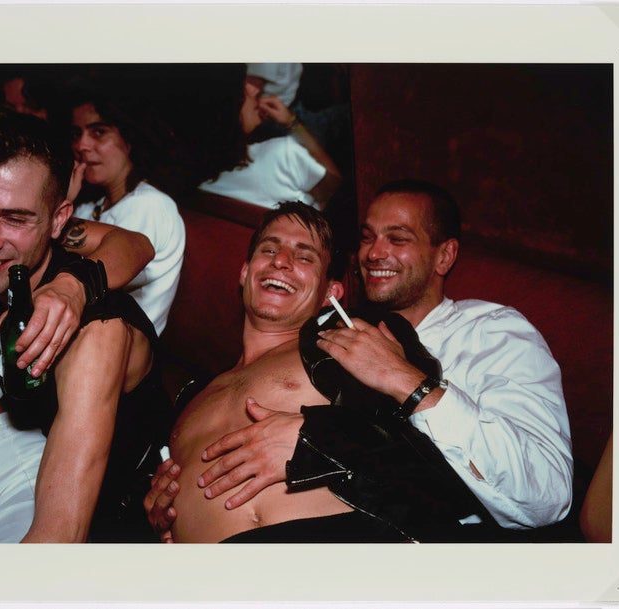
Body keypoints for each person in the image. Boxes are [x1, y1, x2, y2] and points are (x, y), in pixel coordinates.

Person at [147, 180, 573, 541]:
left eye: (399, 238)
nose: (373, 253)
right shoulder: (330, 341)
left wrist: (403, 385)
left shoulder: (491, 332)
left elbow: (544, 498)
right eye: (367, 237)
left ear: (445, 256)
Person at [0, 112, 159, 543]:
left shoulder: (96, 335)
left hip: (117, 517)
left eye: (14, 218)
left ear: (58, 221)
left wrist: (73, 289)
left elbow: (57, 540)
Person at [145, 201, 460, 542]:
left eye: (305, 256)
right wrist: (154, 508)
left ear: (330, 292)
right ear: (245, 271)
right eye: (269, 249)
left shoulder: (357, 346)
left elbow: (443, 470)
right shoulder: (190, 393)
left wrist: (322, 438)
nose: (280, 261)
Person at [70, 86, 185, 336]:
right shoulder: (91, 205)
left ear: (130, 140)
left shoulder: (151, 205)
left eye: (99, 132)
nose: (82, 145)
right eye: (77, 133)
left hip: (127, 347)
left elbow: (96, 285)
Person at [198, 73, 342, 211]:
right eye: (240, 87)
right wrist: (293, 124)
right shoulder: (283, 154)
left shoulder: (199, 182)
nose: (254, 89)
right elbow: (338, 191)